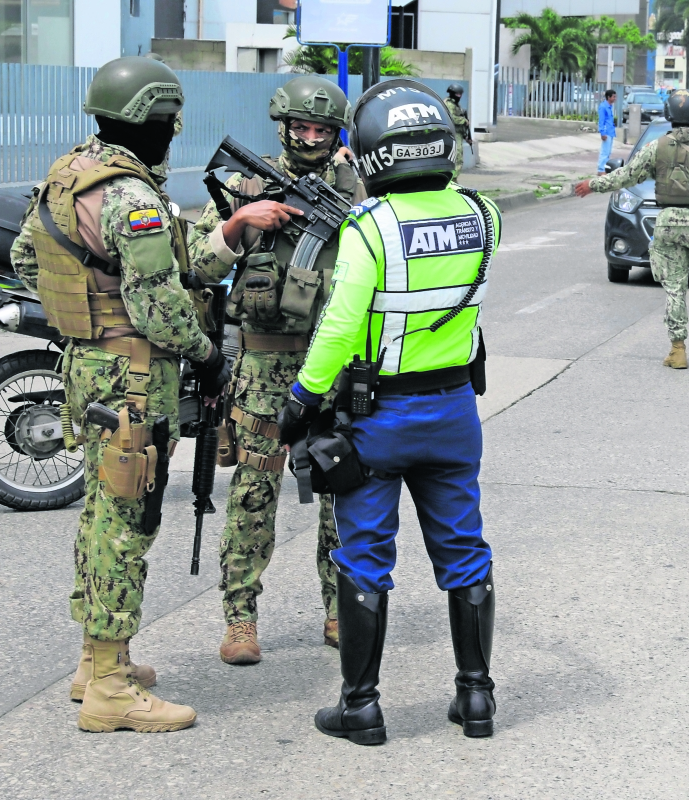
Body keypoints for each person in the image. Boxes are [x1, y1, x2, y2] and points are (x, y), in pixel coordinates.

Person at [10, 57, 296, 732]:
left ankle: (94, 662)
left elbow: (28, 259)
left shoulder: (70, 174)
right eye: (169, 122)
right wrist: (206, 354)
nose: (173, 133)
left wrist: (90, 306)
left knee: (100, 514)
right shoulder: (133, 198)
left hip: (87, 367)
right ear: (151, 121)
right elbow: (162, 306)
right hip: (134, 379)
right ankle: (111, 689)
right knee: (127, 526)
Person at [277, 79, 500, 746]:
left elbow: (341, 328)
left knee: (365, 558)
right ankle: (477, 698)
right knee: (464, 553)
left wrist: (301, 401)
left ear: (372, 153)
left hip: (378, 418)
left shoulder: (367, 229)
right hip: (455, 410)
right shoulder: (485, 214)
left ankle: (362, 707)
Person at [185, 75, 365, 663]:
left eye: (323, 129)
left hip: (335, 360)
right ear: (282, 126)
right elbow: (195, 268)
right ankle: (240, 618)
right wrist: (238, 226)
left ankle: (341, 607)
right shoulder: (244, 186)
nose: (311, 138)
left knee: (342, 488)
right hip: (265, 360)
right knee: (255, 490)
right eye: (301, 127)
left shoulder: (359, 190)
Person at [575, 90, 689, 370]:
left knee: (675, 287)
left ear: (668, 115)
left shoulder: (654, 148)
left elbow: (627, 175)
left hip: (667, 223)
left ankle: (677, 351)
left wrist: (593, 184)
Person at [443, 83, 472, 177]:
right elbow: (451, 118)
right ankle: (453, 179)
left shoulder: (456, 104)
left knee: (458, 157)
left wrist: (466, 136)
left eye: (460, 94)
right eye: (457, 94)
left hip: (458, 134)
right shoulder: (449, 104)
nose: (459, 96)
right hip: (452, 133)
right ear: (452, 93)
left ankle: (453, 178)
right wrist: (464, 121)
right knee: (457, 157)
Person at [597, 89, 617, 175]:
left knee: (608, 152)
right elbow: (601, 121)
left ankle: (604, 168)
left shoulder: (609, 107)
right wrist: (602, 132)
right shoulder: (603, 107)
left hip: (611, 132)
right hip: (606, 132)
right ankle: (601, 169)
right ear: (608, 97)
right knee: (604, 152)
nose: (615, 98)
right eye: (613, 97)